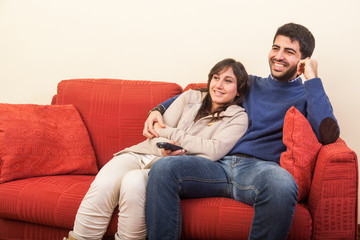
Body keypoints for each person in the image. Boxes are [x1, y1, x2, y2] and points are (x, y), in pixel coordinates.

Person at [143, 23, 340, 240]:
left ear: (303, 60)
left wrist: (312, 79)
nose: (279, 56)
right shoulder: (250, 84)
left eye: (289, 51)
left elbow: (327, 134)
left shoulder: (308, 95)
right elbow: (203, 93)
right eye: (276, 48)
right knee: (164, 169)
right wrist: (158, 109)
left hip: (259, 170)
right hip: (217, 164)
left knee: (282, 183)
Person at [65, 58, 250, 240]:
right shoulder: (190, 97)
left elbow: (212, 150)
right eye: (216, 78)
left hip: (169, 166)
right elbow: (156, 132)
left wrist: (170, 133)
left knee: (133, 181)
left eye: (228, 81)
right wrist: (168, 140)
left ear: (238, 90)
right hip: (144, 152)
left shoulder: (238, 118)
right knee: (105, 182)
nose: (218, 85)